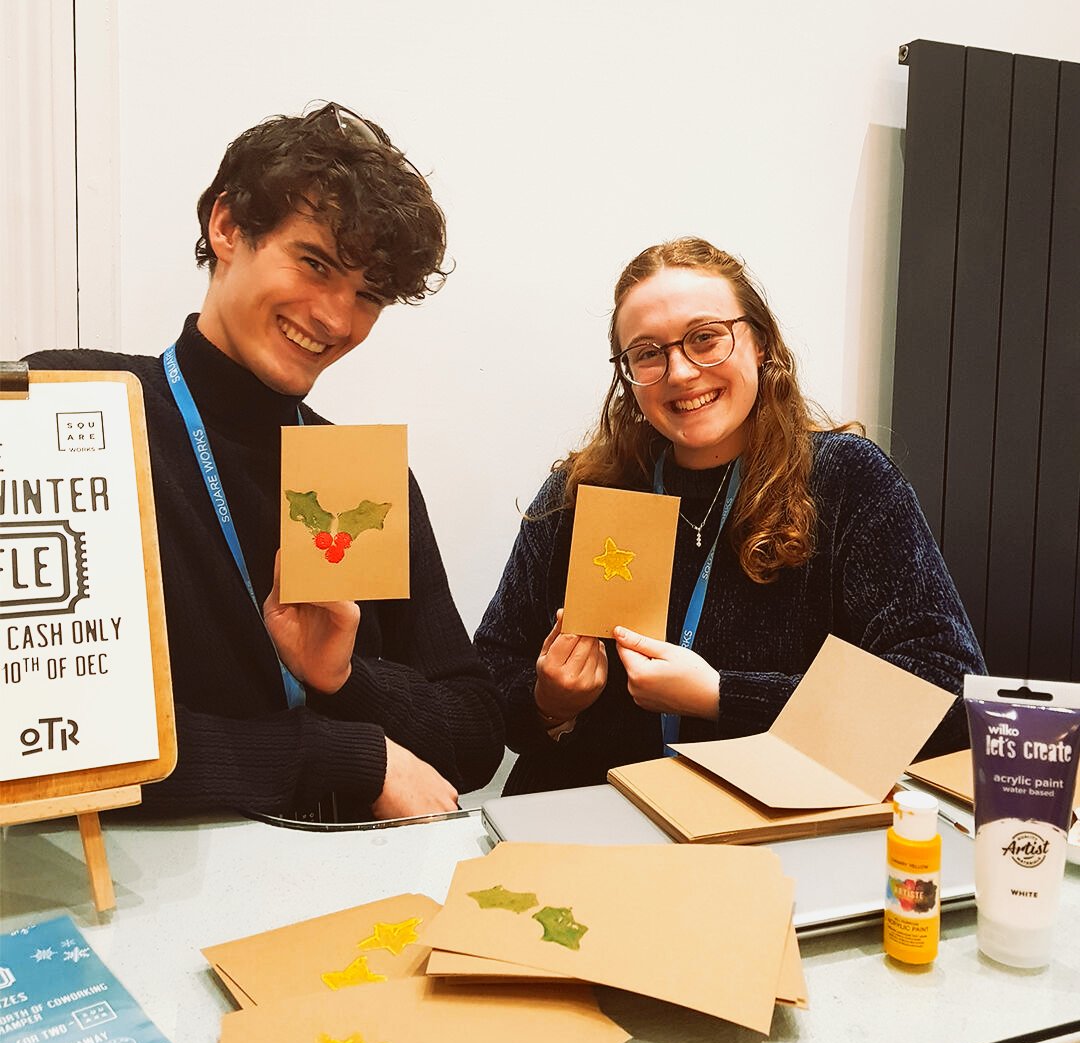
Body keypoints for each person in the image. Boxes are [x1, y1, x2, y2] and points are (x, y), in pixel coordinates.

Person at [26, 103, 504, 820]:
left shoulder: (364, 477)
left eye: (368, 295)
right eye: (315, 264)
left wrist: (346, 681)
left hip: (348, 893)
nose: (337, 320)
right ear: (227, 227)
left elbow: (475, 737)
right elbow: (38, 730)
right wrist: (333, 752)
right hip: (138, 897)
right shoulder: (69, 411)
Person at [475, 237, 985, 795]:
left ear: (760, 343)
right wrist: (549, 704)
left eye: (705, 338)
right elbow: (486, 681)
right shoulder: (581, 492)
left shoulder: (846, 482)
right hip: (585, 821)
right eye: (648, 352)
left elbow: (947, 695)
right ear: (627, 375)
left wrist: (722, 695)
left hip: (772, 823)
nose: (681, 372)